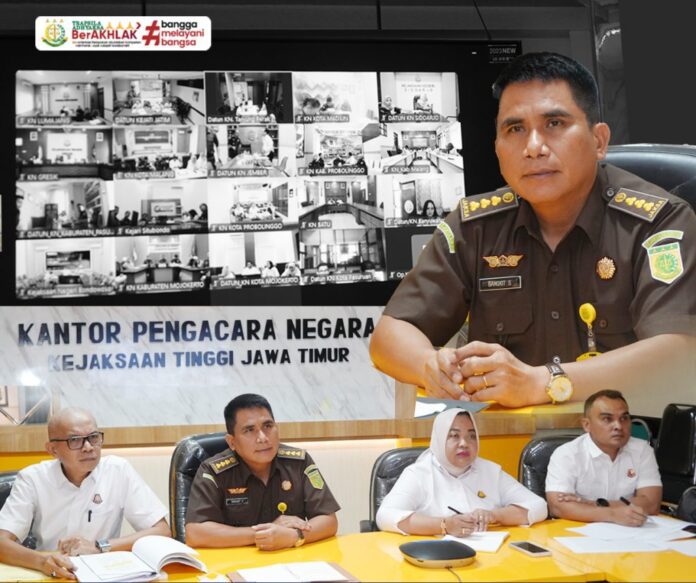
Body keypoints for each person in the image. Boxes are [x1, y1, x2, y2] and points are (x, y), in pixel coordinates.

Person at [370, 51, 696, 409]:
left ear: (599, 140)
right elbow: (389, 335)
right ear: (497, 149)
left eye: (554, 123)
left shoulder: (659, 223)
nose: (533, 148)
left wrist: (544, 382)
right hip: (507, 441)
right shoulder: (474, 227)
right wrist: (429, 366)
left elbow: (680, 353)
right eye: (515, 129)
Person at [0, 408, 169, 579]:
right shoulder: (32, 479)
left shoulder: (118, 471)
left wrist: (99, 546)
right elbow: (1, 542)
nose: (88, 447)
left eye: (93, 437)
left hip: (105, 574)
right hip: (51, 573)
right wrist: (42, 561)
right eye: (75, 440)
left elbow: (162, 531)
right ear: (53, 449)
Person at [185, 394, 340, 550]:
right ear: (232, 442)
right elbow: (195, 533)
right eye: (249, 430)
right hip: (237, 560)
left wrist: (294, 536)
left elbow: (329, 520)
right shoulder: (213, 471)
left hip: (291, 558)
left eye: (268, 426)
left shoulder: (299, 462)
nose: (263, 437)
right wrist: (263, 534)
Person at [377, 408, 547, 535]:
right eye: (454, 436)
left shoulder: (490, 471)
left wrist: (494, 515)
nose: (464, 443)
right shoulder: (418, 474)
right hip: (436, 558)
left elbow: (538, 506)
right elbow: (385, 516)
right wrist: (444, 525)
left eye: (471, 436)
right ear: (439, 439)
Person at [545, 390, 662, 526]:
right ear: (587, 425)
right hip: (580, 531)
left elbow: (651, 503)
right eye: (607, 419)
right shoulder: (567, 454)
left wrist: (593, 504)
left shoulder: (642, 450)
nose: (618, 426)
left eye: (624, 418)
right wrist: (613, 514)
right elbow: (557, 507)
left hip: (630, 530)